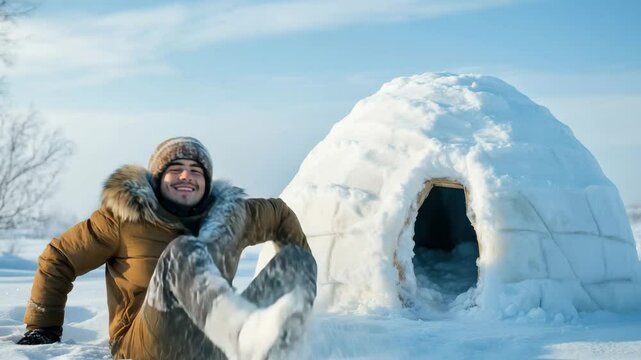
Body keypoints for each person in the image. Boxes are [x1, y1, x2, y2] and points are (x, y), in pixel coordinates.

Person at [16, 137, 317, 359]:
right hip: (145, 345)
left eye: (196, 171)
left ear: (206, 182)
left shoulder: (229, 219)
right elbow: (59, 257)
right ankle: (242, 335)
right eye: (176, 169)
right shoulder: (124, 219)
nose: (186, 175)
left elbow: (278, 212)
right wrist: (43, 327)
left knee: (295, 261)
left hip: (211, 344)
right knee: (183, 251)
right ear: (158, 179)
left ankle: (277, 339)